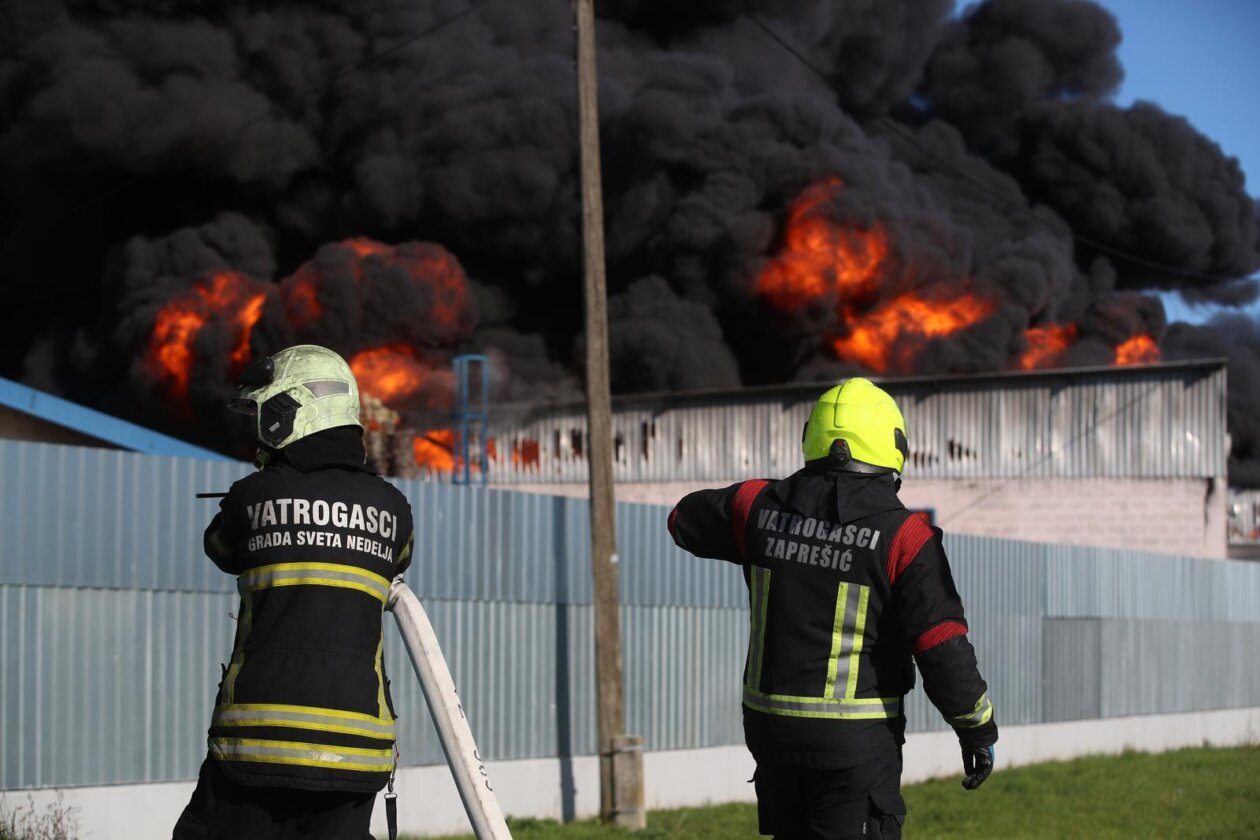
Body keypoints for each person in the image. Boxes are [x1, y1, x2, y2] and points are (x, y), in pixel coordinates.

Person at [667, 377, 996, 840]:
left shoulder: (754, 506)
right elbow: (941, 645)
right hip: (854, 748)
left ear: (813, 435)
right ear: (892, 445)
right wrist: (976, 728)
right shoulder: (906, 537)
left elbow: (681, 520)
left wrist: (769, 516)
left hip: (771, 736)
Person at [173, 344, 416, 840]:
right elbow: (398, 561)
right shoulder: (395, 509)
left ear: (288, 413)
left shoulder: (251, 496)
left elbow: (219, 548)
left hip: (260, 744)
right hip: (358, 747)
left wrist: (268, 483)